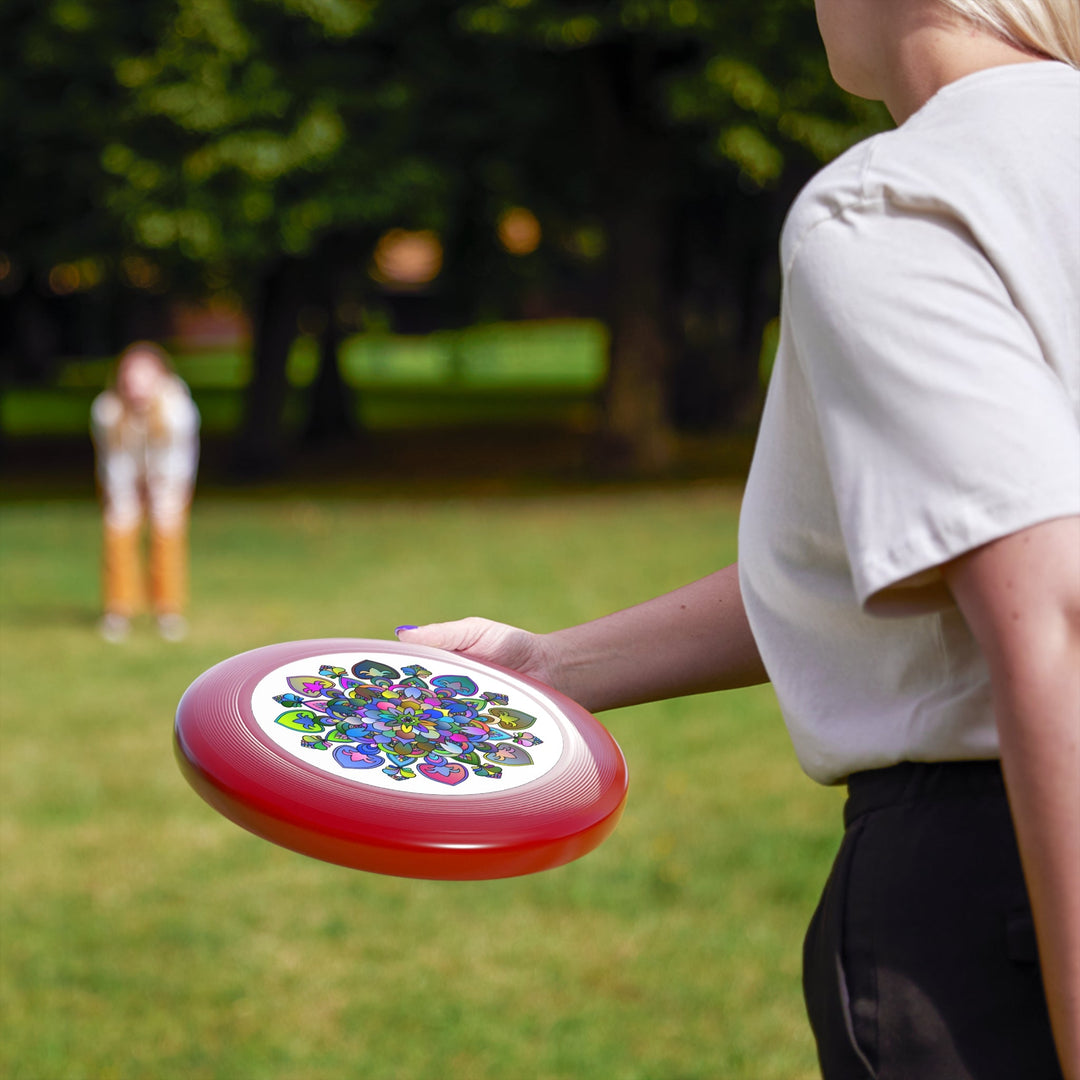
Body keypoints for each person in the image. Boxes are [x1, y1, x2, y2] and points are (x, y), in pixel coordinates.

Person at [395, 2, 1080, 1077]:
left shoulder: (900, 202)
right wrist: (550, 666)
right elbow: (911, 553)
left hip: (1003, 890)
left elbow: (1055, 616)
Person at [91, 341, 200, 642]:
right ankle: (118, 610)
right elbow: (114, 460)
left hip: (168, 479)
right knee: (118, 531)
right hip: (123, 478)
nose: (136, 385)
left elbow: (177, 460)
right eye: (130, 377)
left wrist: (160, 492)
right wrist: (125, 496)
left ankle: (168, 610)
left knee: (167, 535)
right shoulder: (107, 410)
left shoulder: (178, 410)